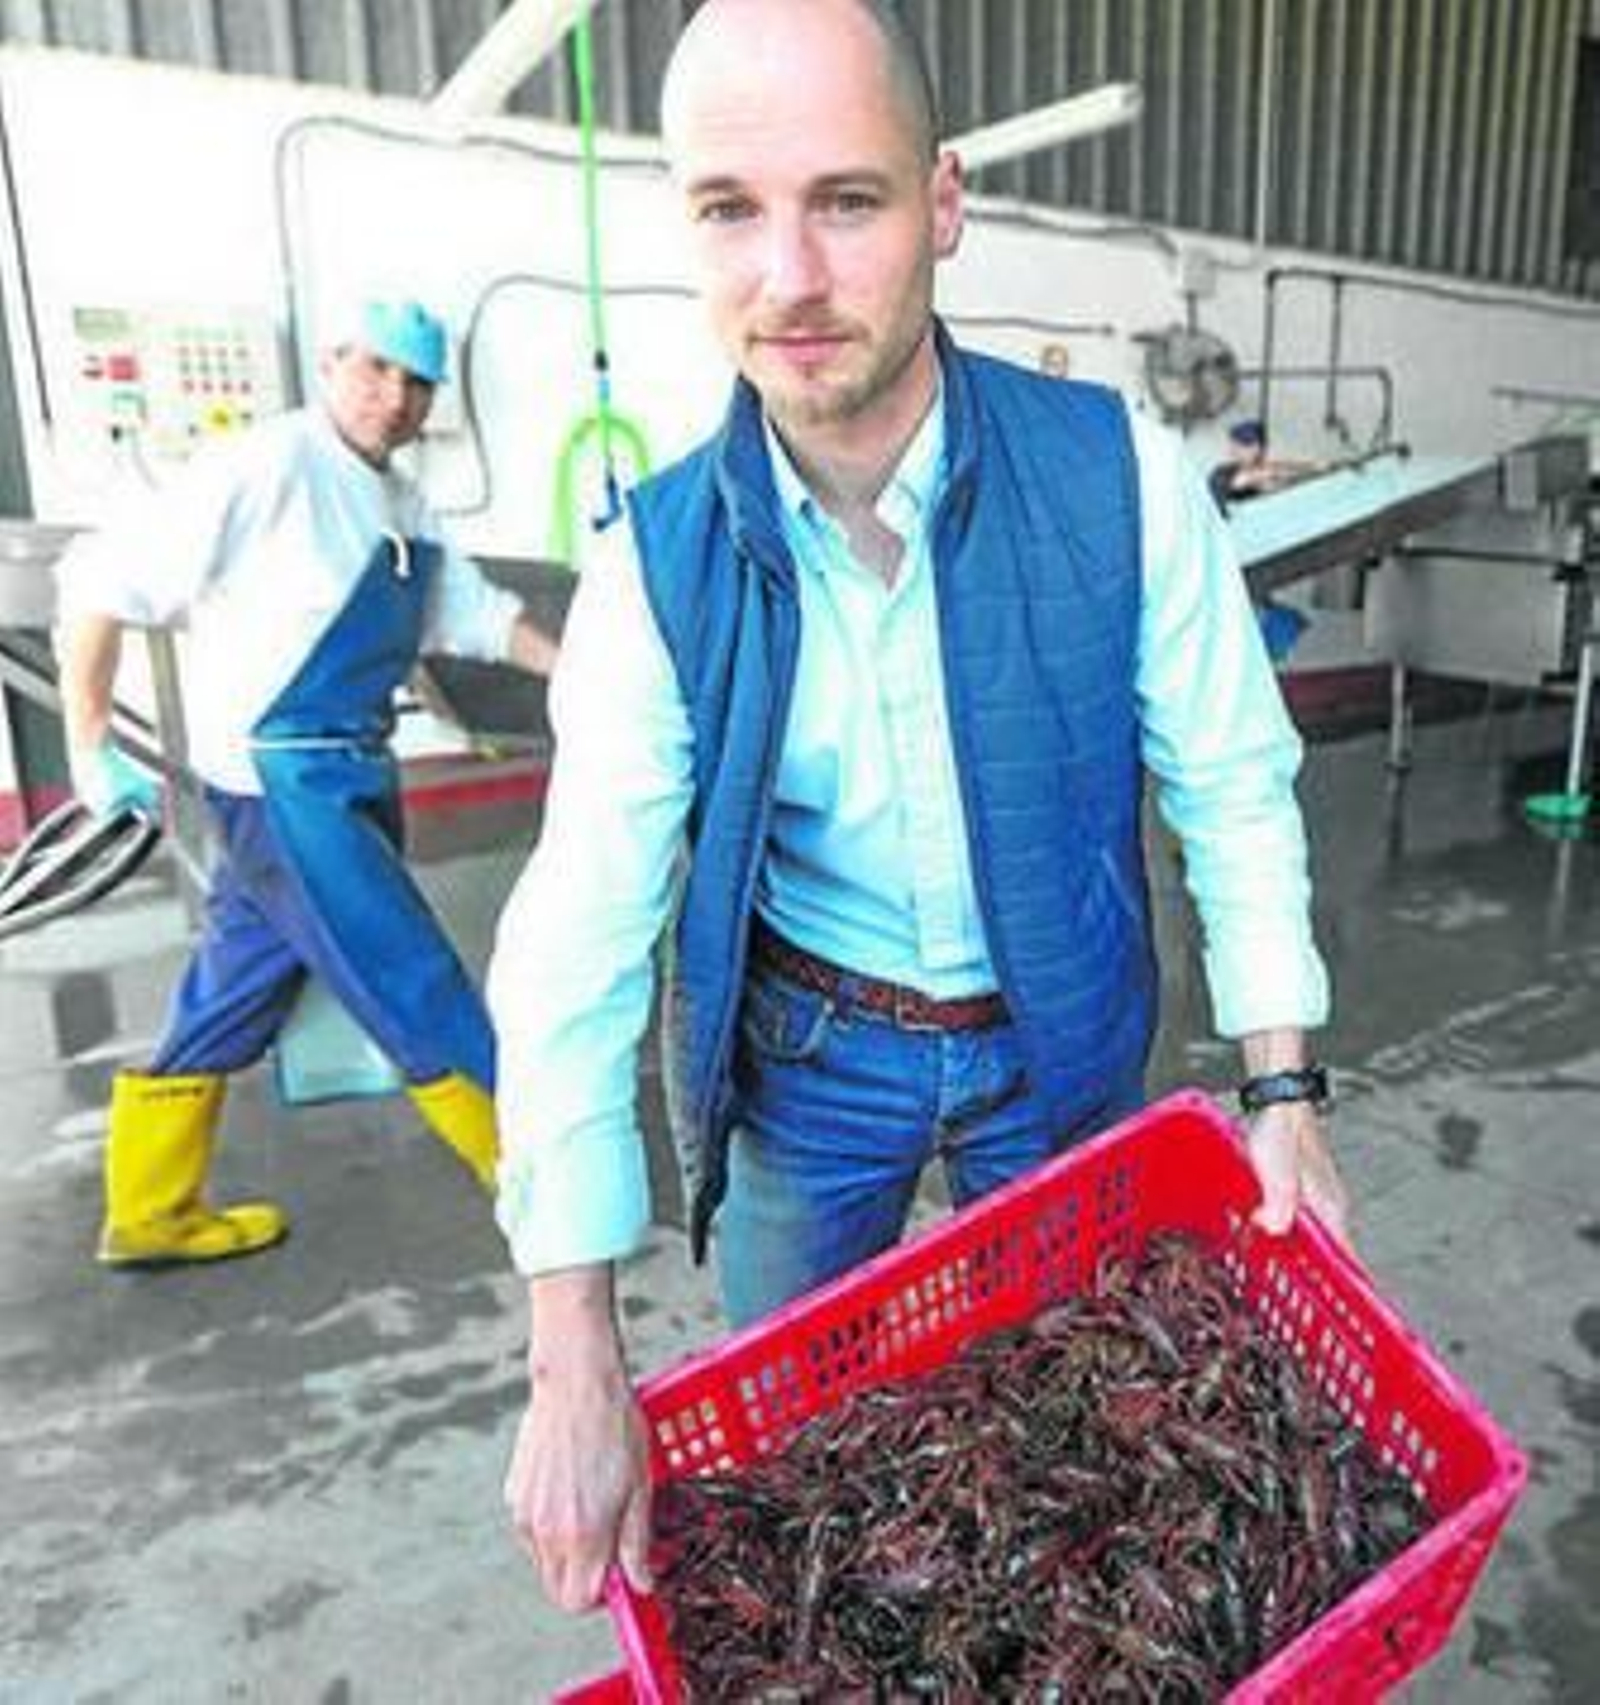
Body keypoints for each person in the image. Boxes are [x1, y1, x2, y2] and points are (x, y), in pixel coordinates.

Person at [489, 0, 1349, 1613]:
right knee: (794, 1475)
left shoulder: (1119, 480)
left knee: (1080, 1445)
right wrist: (572, 1347)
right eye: (730, 208)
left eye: (849, 199)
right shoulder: (654, 570)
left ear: (943, 202)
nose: (791, 278)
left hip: (1056, 1046)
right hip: (809, 1067)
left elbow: (1235, 781)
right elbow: (577, 943)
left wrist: (1283, 1086)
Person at [57, 296, 560, 1269]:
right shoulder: (270, 465)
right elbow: (99, 584)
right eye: (376, 369)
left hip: (344, 774)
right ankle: (537, 1180)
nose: (395, 397)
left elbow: (476, 614)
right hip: (280, 789)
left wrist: (580, 672)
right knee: (407, 975)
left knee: (235, 983)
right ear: (332, 363)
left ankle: (151, 1209)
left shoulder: (400, 504)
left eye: (417, 382)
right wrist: (87, 747)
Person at [1207, 416, 1317, 512]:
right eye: (1247, 446)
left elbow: (1280, 465)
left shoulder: (1259, 467)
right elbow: (1244, 481)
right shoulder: (1224, 475)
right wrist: (1273, 476)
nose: (1256, 451)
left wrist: (1310, 466)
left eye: (1258, 446)